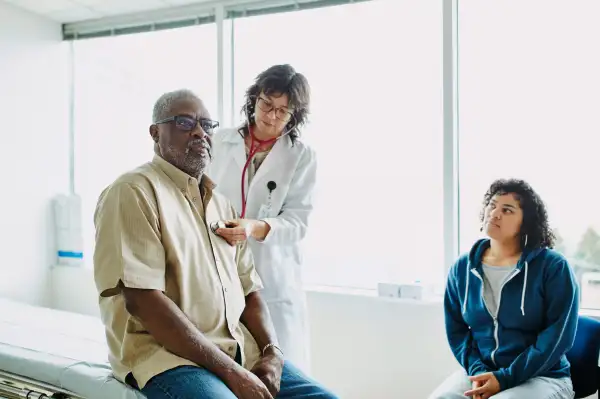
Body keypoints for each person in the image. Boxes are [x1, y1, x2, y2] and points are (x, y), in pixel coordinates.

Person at [93, 88, 337, 399]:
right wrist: (231, 373)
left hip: (238, 351)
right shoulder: (133, 192)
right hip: (170, 359)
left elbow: (250, 290)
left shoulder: (221, 205)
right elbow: (143, 301)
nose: (200, 132)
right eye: (184, 123)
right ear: (155, 133)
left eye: (207, 125)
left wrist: (272, 354)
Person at [207, 64, 316, 373]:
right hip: (220, 270)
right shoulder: (219, 142)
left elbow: (298, 222)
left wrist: (253, 227)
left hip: (273, 280)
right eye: (267, 104)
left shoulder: (301, 157)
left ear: (295, 116)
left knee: (281, 372)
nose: (271, 116)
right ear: (254, 98)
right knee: (229, 369)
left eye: (283, 112)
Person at [429, 179, 579, 399]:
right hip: (483, 370)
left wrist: (505, 378)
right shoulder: (462, 268)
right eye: (492, 205)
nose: (495, 213)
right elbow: (457, 332)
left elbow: (557, 336)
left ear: (526, 222)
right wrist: (479, 371)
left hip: (542, 376)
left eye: (507, 210)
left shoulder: (553, 267)